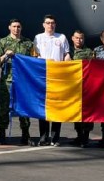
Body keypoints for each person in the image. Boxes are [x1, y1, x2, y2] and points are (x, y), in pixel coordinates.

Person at [0, 19, 35, 146]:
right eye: (14, 26)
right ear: (9, 28)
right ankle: (2, 134)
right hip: (8, 81)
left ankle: (25, 134)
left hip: (23, 81)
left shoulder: (28, 43)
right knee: (4, 108)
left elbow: (33, 59)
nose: (16, 29)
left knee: (24, 108)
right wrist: (6, 55)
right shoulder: (3, 42)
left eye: (18, 27)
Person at [33, 14, 71, 146]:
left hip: (58, 78)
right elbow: (35, 57)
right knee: (43, 108)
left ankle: (55, 138)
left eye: (53, 23)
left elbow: (66, 54)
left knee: (57, 109)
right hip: (43, 77)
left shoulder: (62, 37)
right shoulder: (38, 38)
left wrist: (69, 65)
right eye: (48, 23)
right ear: (43, 25)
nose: (50, 25)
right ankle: (43, 137)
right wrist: (44, 62)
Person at [69, 30, 94, 148]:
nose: (79, 40)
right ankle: (79, 135)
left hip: (85, 86)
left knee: (87, 112)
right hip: (73, 87)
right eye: (77, 38)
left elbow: (94, 68)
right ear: (72, 38)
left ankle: (86, 136)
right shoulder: (69, 51)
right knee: (76, 112)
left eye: (81, 38)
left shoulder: (89, 52)